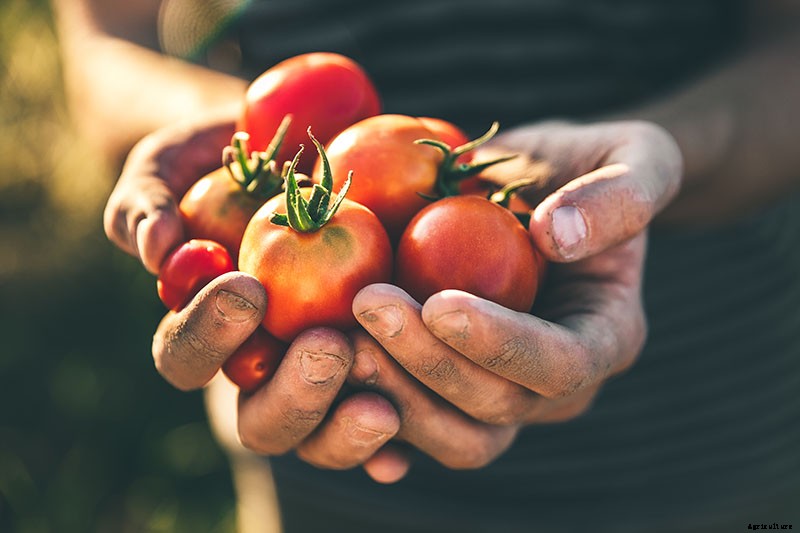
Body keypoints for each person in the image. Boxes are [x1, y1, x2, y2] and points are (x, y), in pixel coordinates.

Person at [55, 0, 800, 531]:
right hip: (331, 469)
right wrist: (240, 141)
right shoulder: (336, 202)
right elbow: (106, 46)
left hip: (718, 436)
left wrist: (653, 165)